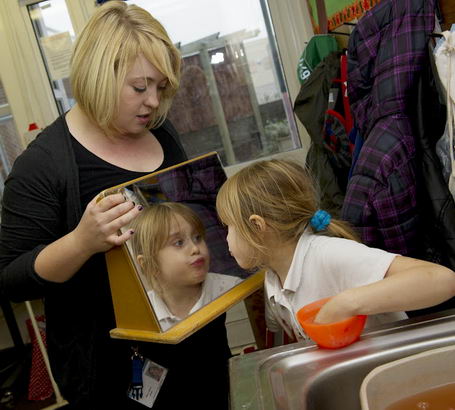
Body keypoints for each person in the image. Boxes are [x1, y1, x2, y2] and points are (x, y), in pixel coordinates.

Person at [0, 2, 230, 409]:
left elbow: (172, 216)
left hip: (197, 342)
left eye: (161, 88)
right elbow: (9, 278)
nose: (153, 102)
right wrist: (82, 242)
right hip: (115, 371)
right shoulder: (43, 166)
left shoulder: (162, 132)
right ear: (97, 77)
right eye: (140, 88)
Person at [216, 159, 455, 341]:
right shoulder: (273, 278)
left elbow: (443, 279)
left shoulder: (328, 254)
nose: (226, 238)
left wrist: (346, 302)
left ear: (257, 226)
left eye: (229, 227)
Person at [129, 202, 242, 331]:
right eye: (179, 243)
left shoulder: (232, 288)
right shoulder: (141, 316)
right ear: (148, 264)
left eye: (197, 238)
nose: (195, 248)